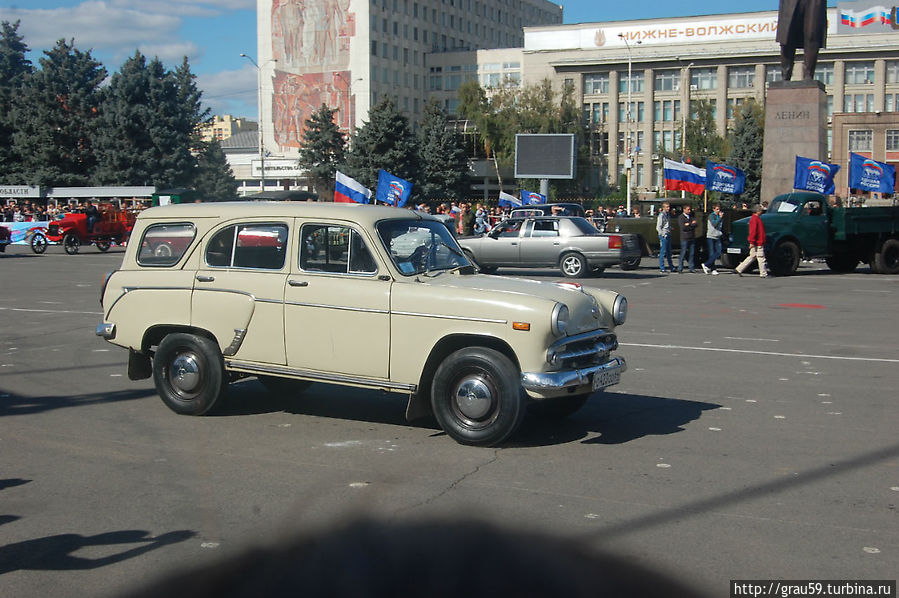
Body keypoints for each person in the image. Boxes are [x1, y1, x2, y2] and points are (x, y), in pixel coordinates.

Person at [736, 204, 769, 278]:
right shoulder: (755, 219)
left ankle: (739, 268)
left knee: (752, 256)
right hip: (758, 242)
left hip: (756, 241)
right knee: (761, 257)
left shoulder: (754, 219)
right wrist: (752, 241)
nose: (762, 212)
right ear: (758, 211)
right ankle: (763, 273)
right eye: (761, 210)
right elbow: (753, 231)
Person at [701, 204, 724, 275]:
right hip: (711, 236)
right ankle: (713, 269)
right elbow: (715, 224)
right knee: (712, 253)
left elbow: (721, 226)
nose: (718, 211)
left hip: (718, 236)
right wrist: (720, 218)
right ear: (714, 209)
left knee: (719, 252)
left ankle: (706, 264)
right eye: (717, 209)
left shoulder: (721, 216)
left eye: (719, 209)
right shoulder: (711, 216)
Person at [678, 204, 698, 273]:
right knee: (683, 253)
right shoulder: (681, 217)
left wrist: (689, 224)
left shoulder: (692, 216)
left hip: (692, 237)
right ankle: (680, 268)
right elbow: (683, 227)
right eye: (688, 209)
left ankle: (691, 267)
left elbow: (696, 224)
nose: (689, 211)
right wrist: (690, 224)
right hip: (684, 237)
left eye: (690, 209)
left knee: (692, 253)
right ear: (684, 210)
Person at [656, 202, 675, 273]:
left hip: (668, 233)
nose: (668, 208)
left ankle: (671, 266)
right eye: (666, 207)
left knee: (669, 252)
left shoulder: (668, 215)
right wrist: (662, 234)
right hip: (664, 235)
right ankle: (662, 267)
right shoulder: (661, 215)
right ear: (663, 208)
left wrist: (670, 228)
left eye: (669, 207)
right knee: (663, 251)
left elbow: (667, 224)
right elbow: (659, 226)